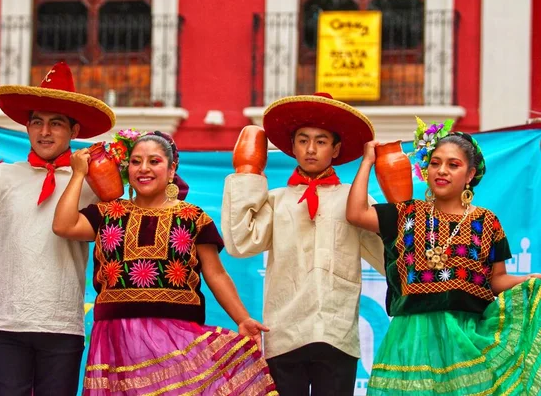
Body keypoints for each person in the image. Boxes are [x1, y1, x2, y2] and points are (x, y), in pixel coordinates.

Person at [52, 129, 278, 395]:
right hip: (115, 339)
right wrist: (79, 173)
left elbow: (215, 274)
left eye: (154, 161)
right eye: (136, 161)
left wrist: (242, 319)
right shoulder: (107, 213)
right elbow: (63, 225)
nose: (143, 168)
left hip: (176, 338)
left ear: (171, 170)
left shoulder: (193, 217)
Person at [0, 61, 115, 395]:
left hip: (63, 324)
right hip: (8, 323)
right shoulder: (4, 175)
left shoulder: (91, 184)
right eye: (37, 122)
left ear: (74, 131)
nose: (44, 132)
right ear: (27, 127)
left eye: (56, 123)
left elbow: (130, 216)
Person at [346, 118, 541, 395]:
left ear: (470, 174)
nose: (442, 171)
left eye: (453, 165)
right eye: (435, 163)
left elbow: (496, 280)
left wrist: (529, 279)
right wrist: (366, 162)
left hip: (465, 339)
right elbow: (355, 214)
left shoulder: (487, 222)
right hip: (410, 340)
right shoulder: (406, 214)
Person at [221, 93, 385, 395]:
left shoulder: (354, 198)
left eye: (321, 141)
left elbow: (389, 258)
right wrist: (248, 175)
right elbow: (240, 243)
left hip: (336, 331)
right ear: (292, 147)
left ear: (335, 149)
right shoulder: (275, 199)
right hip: (284, 331)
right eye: (303, 140)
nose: (311, 149)